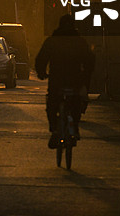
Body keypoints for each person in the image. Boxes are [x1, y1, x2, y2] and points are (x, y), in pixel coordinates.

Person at [35, 13, 95, 149]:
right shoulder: (80, 41)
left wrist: (42, 73)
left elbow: (41, 59)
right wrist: (86, 75)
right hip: (75, 79)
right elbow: (89, 60)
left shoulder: (52, 40)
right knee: (76, 104)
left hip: (57, 79)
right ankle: (75, 128)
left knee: (52, 103)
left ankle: (55, 130)